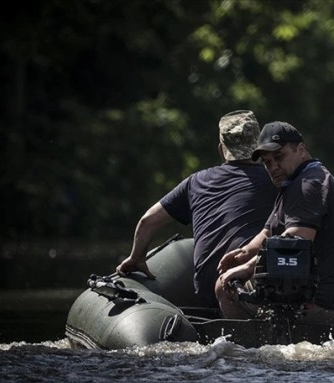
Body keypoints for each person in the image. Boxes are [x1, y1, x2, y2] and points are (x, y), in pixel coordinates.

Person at [215, 121, 334, 327]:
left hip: (331, 307)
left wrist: (245, 269)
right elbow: (268, 233)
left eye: (279, 157)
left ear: (301, 150)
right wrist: (243, 253)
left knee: (222, 288)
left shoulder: (309, 185)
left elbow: (292, 245)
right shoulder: (298, 180)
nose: (273, 167)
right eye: (267, 162)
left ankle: (250, 350)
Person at [116, 110, 278, 308]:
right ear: (260, 148)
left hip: (207, 292)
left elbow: (148, 221)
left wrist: (136, 258)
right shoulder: (277, 180)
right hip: (253, 287)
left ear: (221, 149)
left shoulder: (196, 182)